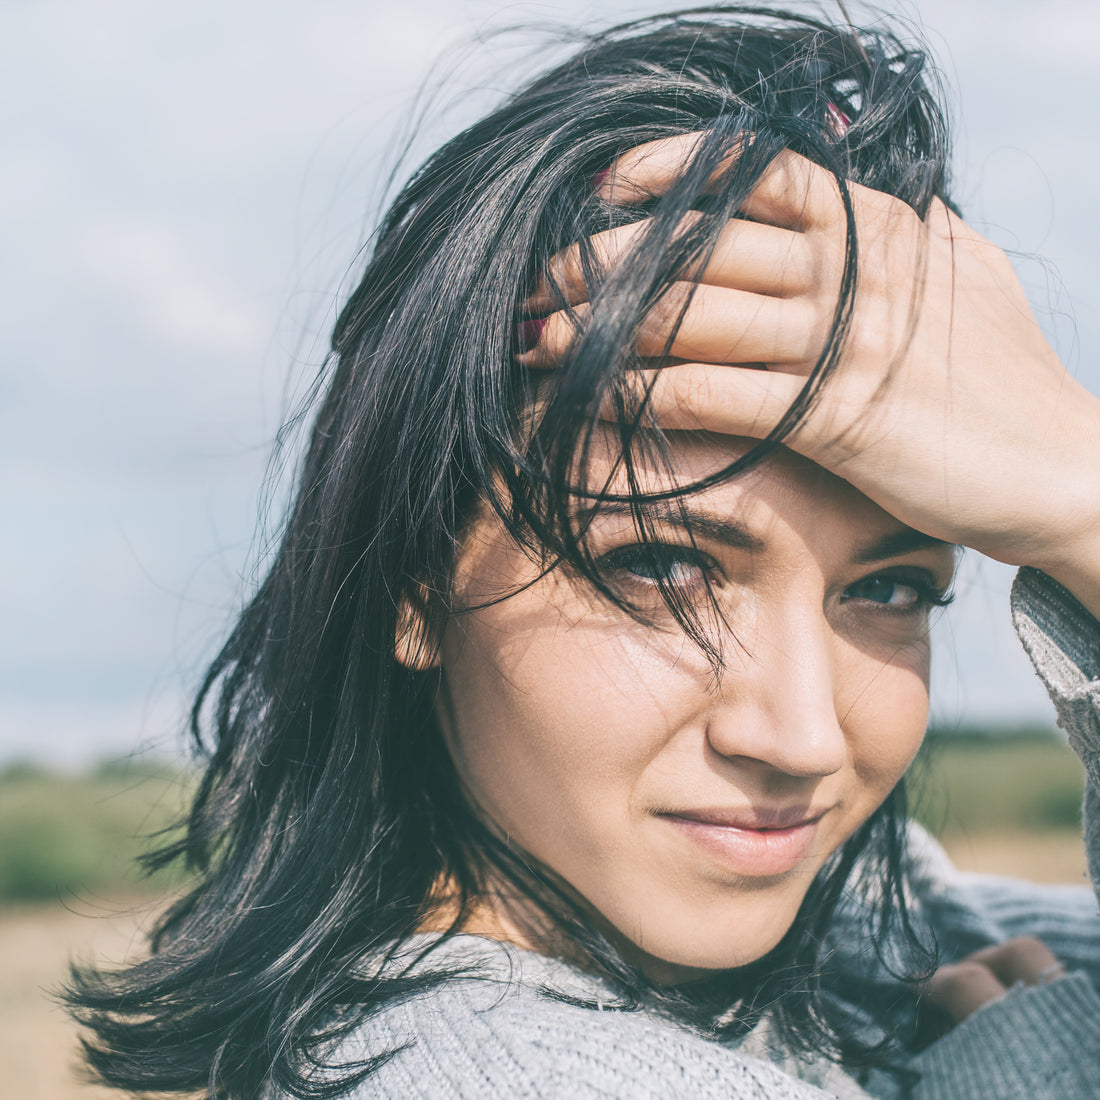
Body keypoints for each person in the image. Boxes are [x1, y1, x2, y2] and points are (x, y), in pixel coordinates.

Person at [67, 7, 1100, 1098]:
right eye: (658, 565)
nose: (799, 736)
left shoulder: (883, 933)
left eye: (887, 588)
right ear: (412, 572)